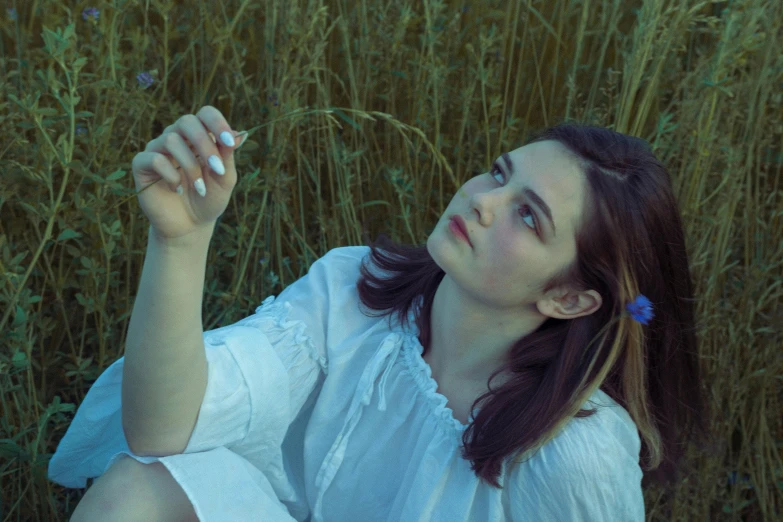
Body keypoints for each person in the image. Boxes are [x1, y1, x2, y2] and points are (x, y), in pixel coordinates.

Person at [49, 106, 709, 521]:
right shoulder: (354, 289)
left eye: (527, 216)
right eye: (498, 174)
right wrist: (181, 240)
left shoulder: (571, 452)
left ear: (567, 299)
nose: (482, 200)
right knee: (139, 485)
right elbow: (162, 429)